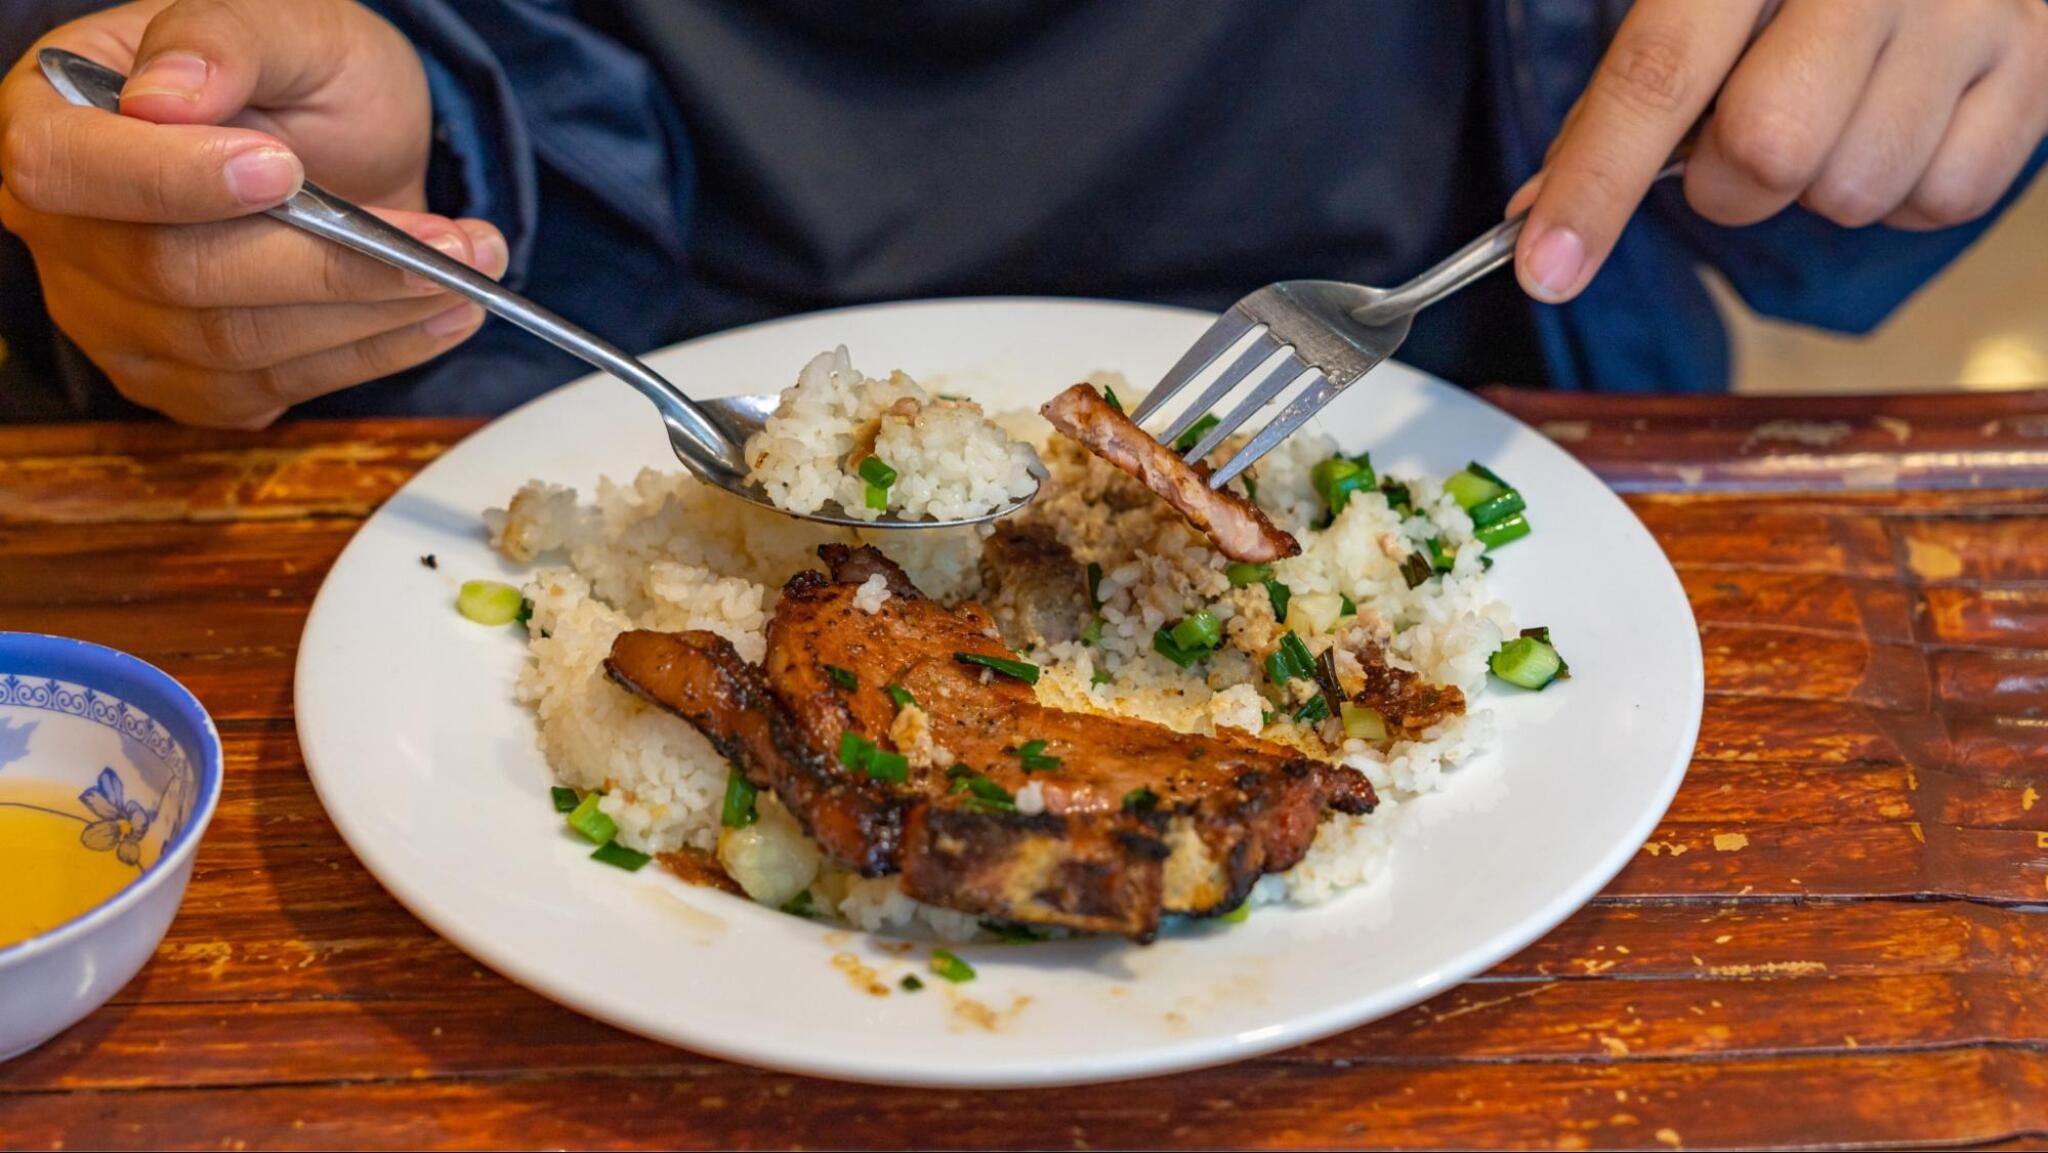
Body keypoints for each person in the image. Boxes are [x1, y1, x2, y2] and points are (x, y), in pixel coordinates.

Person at [0, 0, 2042, 425]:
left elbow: (1807, 208)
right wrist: (375, 150)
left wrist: (1911, 63)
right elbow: (123, 89)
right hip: (522, 385)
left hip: (1489, 375)